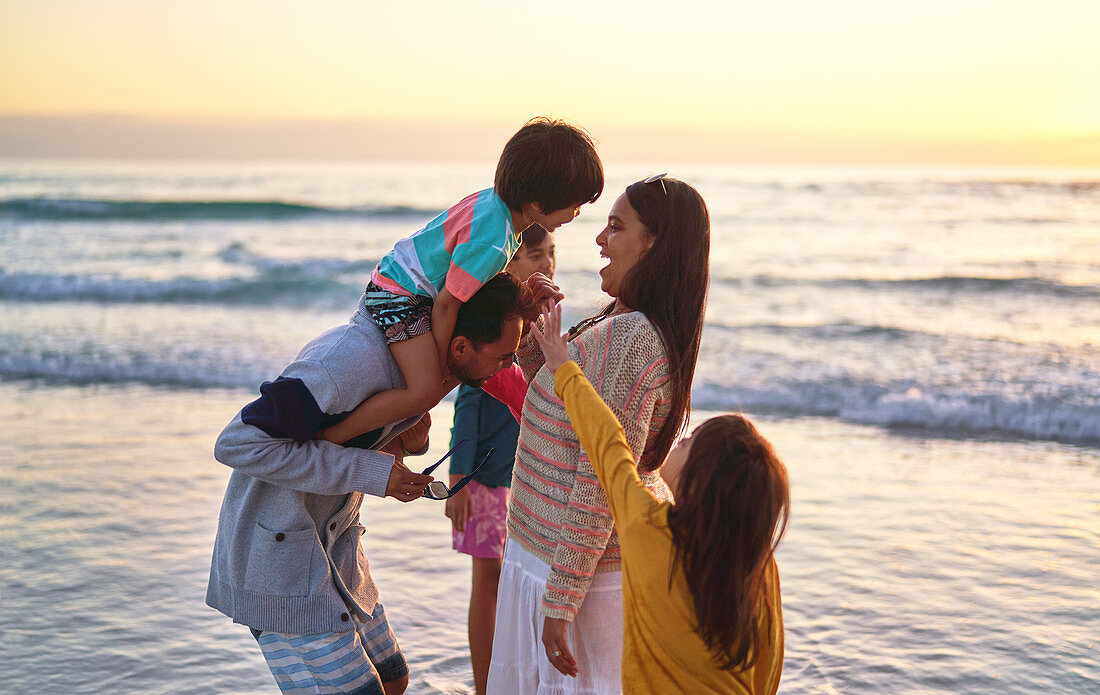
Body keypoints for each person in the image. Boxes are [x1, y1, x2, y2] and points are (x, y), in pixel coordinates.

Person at [206, 272, 536, 695]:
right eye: (504, 356)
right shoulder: (345, 363)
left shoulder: (432, 368)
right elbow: (236, 443)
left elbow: (344, 437)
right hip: (275, 560)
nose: (508, 367)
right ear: (460, 346)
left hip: (335, 549)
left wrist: (401, 444)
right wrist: (376, 473)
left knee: (394, 678)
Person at [487, 175, 711, 694]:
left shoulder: (634, 338)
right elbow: (557, 402)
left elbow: (601, 478)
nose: (599, 239)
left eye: (615, 226)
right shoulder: (623, 319)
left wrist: (561, 602)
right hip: (553, 558)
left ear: (654, 243)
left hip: (581, 580)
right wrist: (529, 327)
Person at [531, 304, 789, 694]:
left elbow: (609, 446)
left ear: (698, 480)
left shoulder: (650, 529)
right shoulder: (759, 567)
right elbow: (769, 670)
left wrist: (563, 367)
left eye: (689, 443)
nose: (678, 440)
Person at [315, 117, 602, 447]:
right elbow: (447, 304)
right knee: (423, 392)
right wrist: (436, 370)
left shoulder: (494, 204)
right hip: (397, 296)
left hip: (397, 280)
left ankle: (375, 443)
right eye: (575, 204)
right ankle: (331, 437)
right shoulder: (494, 243)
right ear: (537, 203)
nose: (578, 213)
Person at [445, 224, 556, 695]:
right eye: (534, 256)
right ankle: (484, 685)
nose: (546, 264)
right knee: (488, 582)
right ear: (509, 268)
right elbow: (468, 401)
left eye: (551, 254)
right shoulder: (495, 330)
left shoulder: (541, 331)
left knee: (521, 583)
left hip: (526, 481)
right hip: (487, 478)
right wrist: (459, 478)